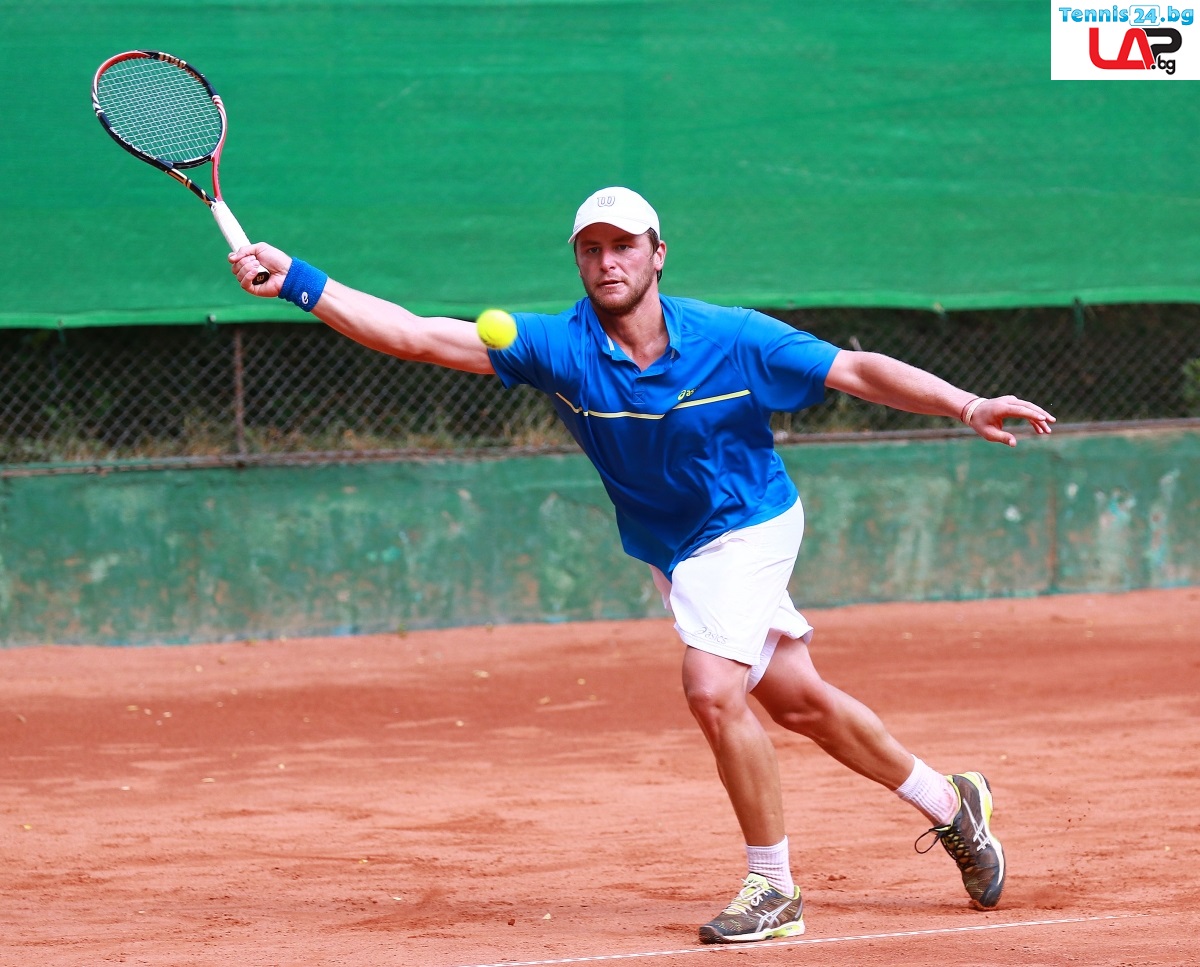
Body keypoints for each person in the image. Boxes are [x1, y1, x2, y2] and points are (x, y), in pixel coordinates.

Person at [229, 186, 1055, 945]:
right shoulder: (558, 346)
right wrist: (298, 280)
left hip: (752, 522)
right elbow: (413, 334)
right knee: (799, 702)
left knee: (712, 688)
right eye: (591, 249)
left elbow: (854, 369)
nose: (608, 262)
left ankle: (774, 888)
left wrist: (966, 403)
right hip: (678, 550)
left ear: (658, 254)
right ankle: (952, 802)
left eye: (624, 245)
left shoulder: (732, 338)